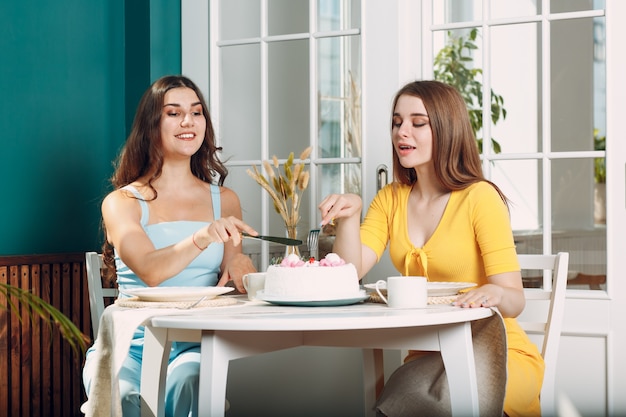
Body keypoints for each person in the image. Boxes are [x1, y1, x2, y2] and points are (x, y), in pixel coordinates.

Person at [319, 80, 544, 417]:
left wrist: (494, 293)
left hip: (499, 354)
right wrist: (350, 215)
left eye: (417, 122)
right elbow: (350, 272)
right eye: (397, 122)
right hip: (427, 359)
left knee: (445, 403)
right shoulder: (390, 199)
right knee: (403, 399)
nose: (401, 132)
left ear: (446, 129)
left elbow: (515, 300)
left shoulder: (479, 197)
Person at [82, 75, 258, 417]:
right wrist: (202, 237)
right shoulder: (122, 202)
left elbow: (233, 274)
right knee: (125, 396)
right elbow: (150, 270)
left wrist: (240, 268)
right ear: (151, 125)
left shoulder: (226, 200)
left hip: (196, 342)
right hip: (131, 344)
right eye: (174, 113)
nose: (188, 121)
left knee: (189, 379)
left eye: (196, 112)